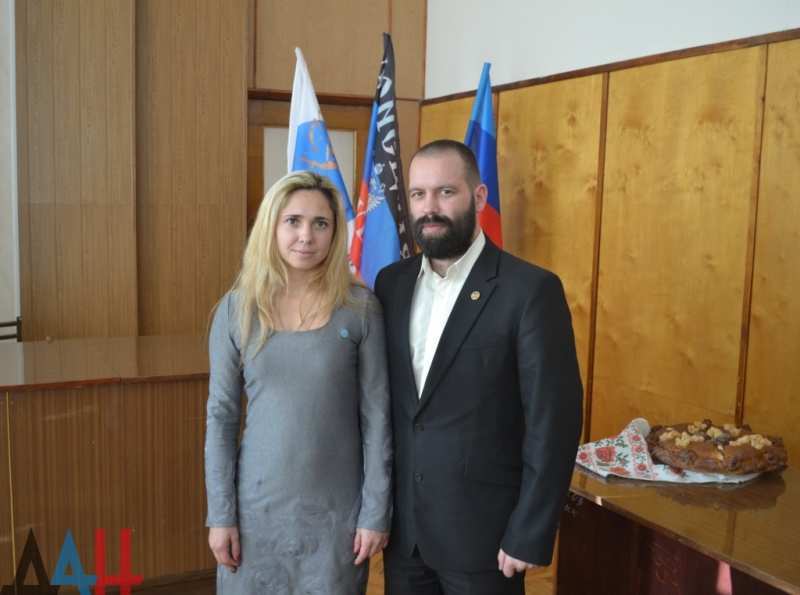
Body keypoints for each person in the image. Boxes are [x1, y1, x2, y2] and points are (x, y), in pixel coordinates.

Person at [374, 140, 583, 595]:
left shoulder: (529, 290)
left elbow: (554, 421)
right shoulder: (390, 284)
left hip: (487, 539)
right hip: (406, 536)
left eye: (446, 192)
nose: (430, 208)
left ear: (479, 196)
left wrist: (531, 529)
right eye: (418, 194)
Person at [204, 171, 392, 594]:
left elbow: (378, 419)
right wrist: (220, 514)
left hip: (337, 519)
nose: (306, 236)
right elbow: (221, 418)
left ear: (335, 232)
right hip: (254, 515)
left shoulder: (360, 309)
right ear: (271, 226)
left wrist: (375, 512)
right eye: (293, 221)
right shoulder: (236, 309)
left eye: (320, 223)